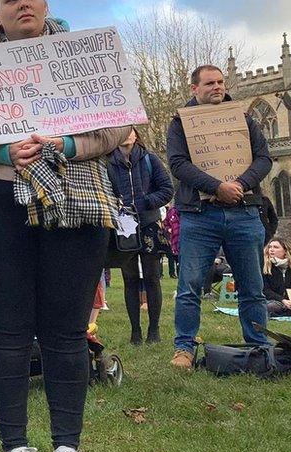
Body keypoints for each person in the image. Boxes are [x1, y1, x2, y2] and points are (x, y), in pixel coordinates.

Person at [0, 0, 129, 452]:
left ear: (45, 3)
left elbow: (117, 124)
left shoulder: (85, 57)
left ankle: (68, 448)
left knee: (68, 330)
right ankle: (16, 450)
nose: (23, 4)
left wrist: (67, 145)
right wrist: (4, 151)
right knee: (6, 328)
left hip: (73, 197)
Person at [167, 65, 272, 369]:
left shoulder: (244, 117)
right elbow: (177, 164)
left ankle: (259, 347)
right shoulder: (179, 123)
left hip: (244, 211)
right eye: (209, 83)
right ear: (194, 89)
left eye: (221, 82)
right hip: (200, 216)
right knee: (190, 286)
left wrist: (239, 185)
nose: (217, 87)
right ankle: (184, 349)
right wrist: (217, 187)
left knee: (252, 287)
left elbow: (264, 158)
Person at [107, 128, 174, 345]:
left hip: (148, 223)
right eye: (122, 130)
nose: (126, 134)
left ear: (136, 135)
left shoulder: (149, 160)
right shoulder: (108, 162)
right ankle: (135, 331)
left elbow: (166, 189)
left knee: (152, 277)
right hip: (123, 225)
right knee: (130, 279)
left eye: (130, 130)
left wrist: (143, 203)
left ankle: (153, 330)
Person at [263, 238, 291, 317]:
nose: (271, 250)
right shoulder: (265, 267)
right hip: (275, 300)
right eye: (270, 247)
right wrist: (282, 300)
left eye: (276, 247)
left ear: (285, 251)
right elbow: (265, 289)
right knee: (268, 307)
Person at [164, 204, 180, 278]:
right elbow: (166, 223)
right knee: (174, 258)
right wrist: (168, 229)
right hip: (174, 241)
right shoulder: (171, 211)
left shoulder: (185, 211)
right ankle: (174, 274)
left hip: (184, 240)